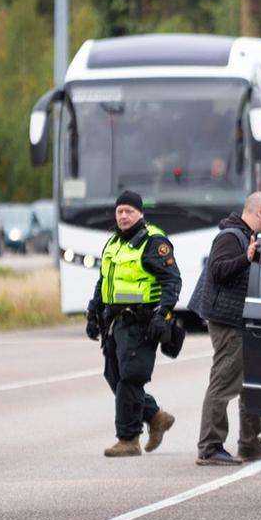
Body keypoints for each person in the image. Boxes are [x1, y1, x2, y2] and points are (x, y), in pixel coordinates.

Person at [86, 190, 181, 457]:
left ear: (140, 213)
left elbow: (172, 281)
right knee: (114, 376)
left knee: (130, 378)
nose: (124, 216)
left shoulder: (153, 242)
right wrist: (93, 311)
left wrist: (162, 314)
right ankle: (155, 416)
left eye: (129, 211)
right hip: (115, 321)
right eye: (120, 211)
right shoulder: (114, 243)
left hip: (143, 321)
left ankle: (128, 439)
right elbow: (104, 280)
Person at [195, 191, 261, 466]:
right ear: (259, 211)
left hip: (246, 319)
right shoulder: (230, 237)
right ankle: (210, 446)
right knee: (224, 381)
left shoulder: (248, 237)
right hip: (229, 322)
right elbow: (217, 271)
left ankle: (250, 443)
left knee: (250, 383)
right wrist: (245, 258)